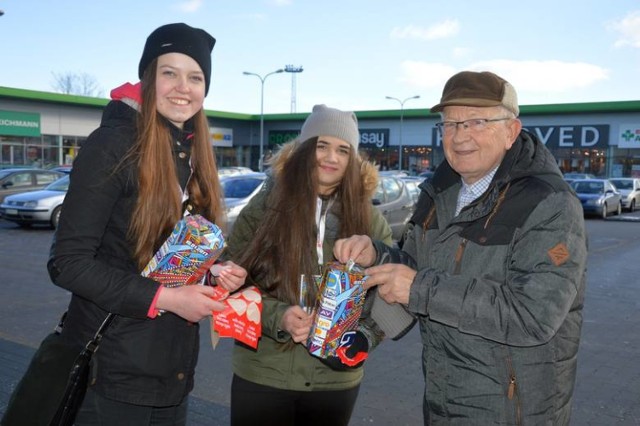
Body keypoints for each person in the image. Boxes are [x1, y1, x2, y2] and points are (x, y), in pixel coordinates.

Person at [334, 71, 588, 425]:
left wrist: (418, 287)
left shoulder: (550, 204)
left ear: (511, 131)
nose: (460, 135)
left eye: (477, 121)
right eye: (450, 124)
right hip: (443, 401)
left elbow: (533, 316)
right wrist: (377, 255)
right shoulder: (439, 194)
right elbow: (414, 272)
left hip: (511, 412)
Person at [47, 23, 247, 425]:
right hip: (111, 371)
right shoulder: (112, 146)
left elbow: (163, 257)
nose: (182, 87)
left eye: (195, 77)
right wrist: (170, 300)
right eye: (168, 72)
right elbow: (67, 262)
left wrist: (212, 274)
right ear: (148, 77)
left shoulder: (190, 153)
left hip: (169, 371)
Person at [225, 104, 396, 426]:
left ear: (353, 160)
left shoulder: (369, 219)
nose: (332, 158)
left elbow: (390, 296)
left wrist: (361, 338)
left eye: (343, 150)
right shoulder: (265, 208)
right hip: (263, 372)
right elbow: (229, 286)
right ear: (304, 150)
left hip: (335, 381)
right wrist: (279, 317)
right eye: (322, 145)